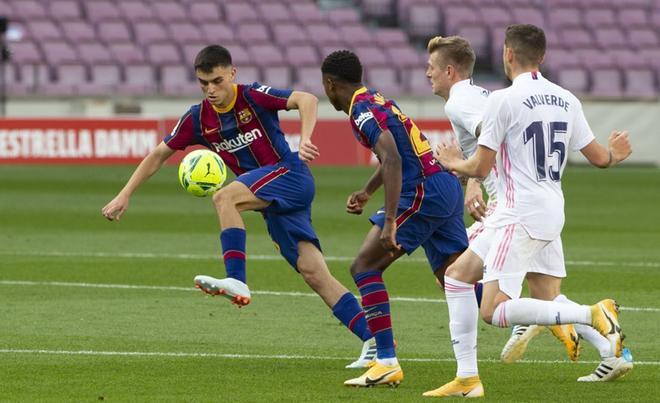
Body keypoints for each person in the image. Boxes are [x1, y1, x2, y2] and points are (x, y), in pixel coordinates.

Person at [101, 44, 377, 369]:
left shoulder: (252, 96)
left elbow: (307, 99)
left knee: (224, 196)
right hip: (270, 200)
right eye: (203, 83)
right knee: (314, 273)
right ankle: (376, 341)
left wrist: (304, 138)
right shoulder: (197, 118)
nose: (211, 90)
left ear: (232, 74)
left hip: (290, 175)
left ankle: (236, 278)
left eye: (217, 81)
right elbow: (158, 155)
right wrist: (125, 194)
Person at [427, 24, 632, 398]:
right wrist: (617, 152)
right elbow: (601, 158)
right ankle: (612, 350)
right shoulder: (566, 98)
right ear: (542, 56)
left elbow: (480, 167)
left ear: (507, 54)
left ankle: (592, 314)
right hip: (552, 209)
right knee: (471, 279)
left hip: (517, 211)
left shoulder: (502, 101)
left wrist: (454, 162)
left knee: (493, 309)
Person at [321, 50, 469, 387]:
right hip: (443, 184)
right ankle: (550, 315)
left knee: (364, 267)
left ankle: (385, 359)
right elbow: (395, 154)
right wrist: (367, 191)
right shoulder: (376, 98)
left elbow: (391, 158)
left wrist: (389, 221)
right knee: (456, 278)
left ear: (329, 84)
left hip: (422, 191)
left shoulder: (361, 110)